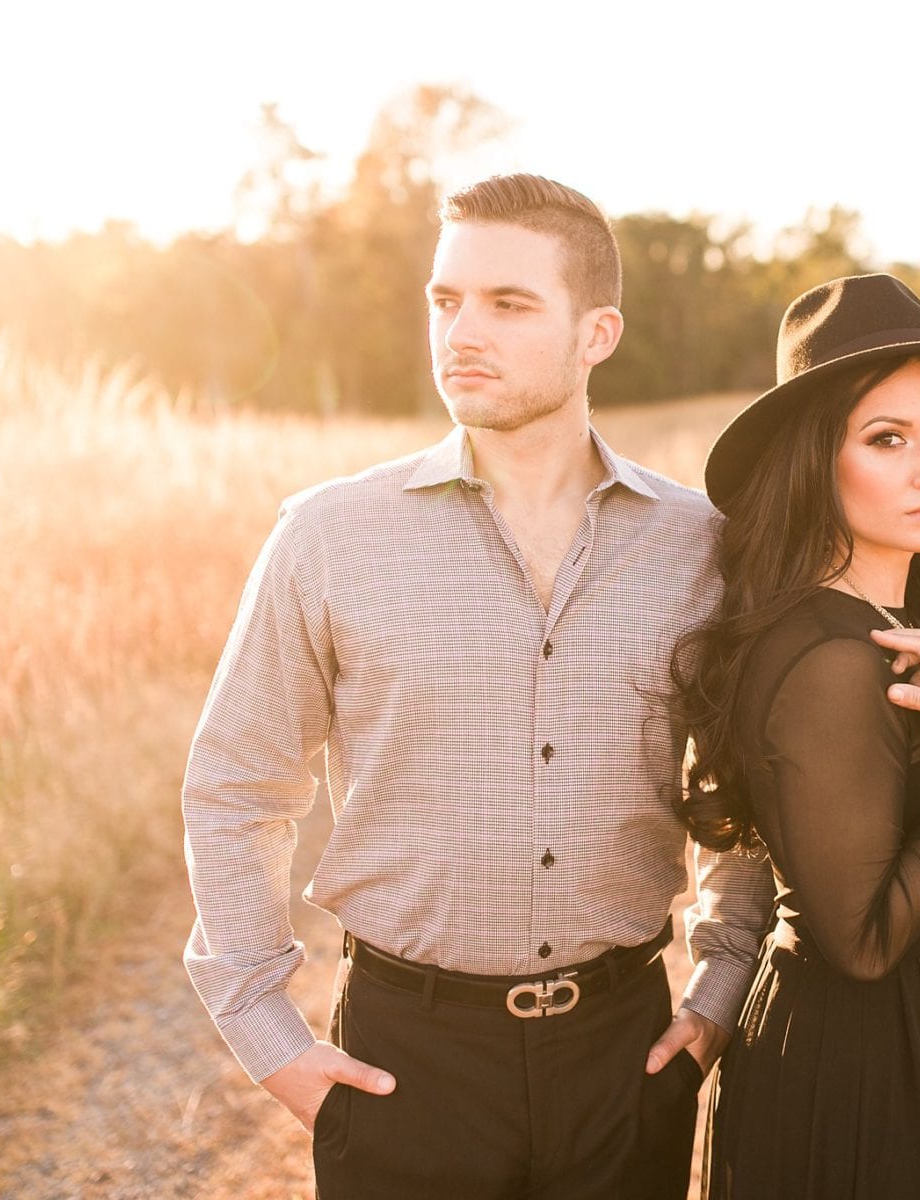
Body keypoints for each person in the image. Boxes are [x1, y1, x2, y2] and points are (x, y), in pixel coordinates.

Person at [181, 173, 774, 1200]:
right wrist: (269, 1038)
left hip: (622, 1057)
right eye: (446, 300)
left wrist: (720, 986)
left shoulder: (700, 547)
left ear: (597, 333)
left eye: (508, 304)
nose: (463, 331)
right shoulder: (329, 537)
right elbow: (238, 785)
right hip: (408, 1062)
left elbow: (746, 795)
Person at [673, 273, 920, 1198]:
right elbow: (860, 941)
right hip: (858, 1073)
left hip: (913, 1037)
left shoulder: (894, 620)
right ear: (818, 459)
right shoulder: (829, 659)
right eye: (887, 438)